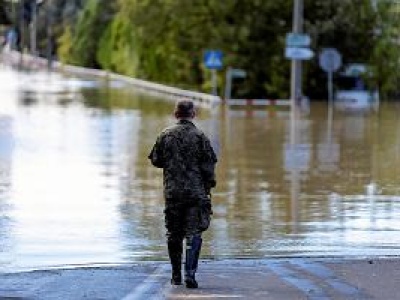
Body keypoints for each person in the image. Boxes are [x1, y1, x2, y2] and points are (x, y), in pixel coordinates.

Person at [148, 99, 217, 288]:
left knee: (173, 233)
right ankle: (190, 274)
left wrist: (173, 162)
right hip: (196, 194)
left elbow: (156, 160)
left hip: (173, 193)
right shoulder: (200, 136)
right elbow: (209, 167)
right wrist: (208, 187)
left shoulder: (165, 135)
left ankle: (175, 275)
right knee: (194, 233)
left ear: (175, 114)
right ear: (193, 114)